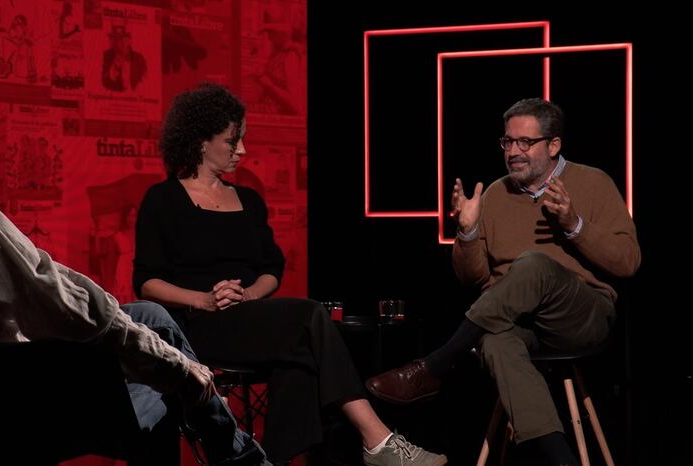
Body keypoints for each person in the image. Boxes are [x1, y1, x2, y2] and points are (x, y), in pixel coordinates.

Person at [0, 23, 268, 466]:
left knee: (151, 326)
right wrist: (178, 370)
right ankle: (244, 457)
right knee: (160, 353)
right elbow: (47, 295)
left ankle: (237, 451)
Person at [133, 82, 447, 466]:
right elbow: (147, 283)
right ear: (201, 141)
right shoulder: (163, 199)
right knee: (309, 319)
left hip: (249, 317)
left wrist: (249, 294)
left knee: (300, 359)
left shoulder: (248, 199)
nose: (242, 150)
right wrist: (204, 299)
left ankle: (272, 461)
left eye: (242, 140)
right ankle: (378, 441)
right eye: (232, 141)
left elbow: (272, 269)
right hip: (198, 326)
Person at [365, 98, 641, 466]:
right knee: (495, 341)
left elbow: (628, 262)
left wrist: (574, 225)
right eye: (508, 142)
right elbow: (474, 278)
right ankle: (562, 461)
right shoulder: (496, 194)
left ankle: (436, 365)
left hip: (581, 314)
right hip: (520, 322)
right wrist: (467, 233)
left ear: (553, 145)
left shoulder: (593, 182)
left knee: (533, 264)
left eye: (525, 142)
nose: (513, 152)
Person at [102, 24, 147, 92]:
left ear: (129, 40)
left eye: (122, 39)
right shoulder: (106, 56)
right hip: (114, 95)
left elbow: (145, 79)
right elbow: (104, 82)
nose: (118, 43)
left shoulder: (138, 58)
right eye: (115, 39)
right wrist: (115, 67)